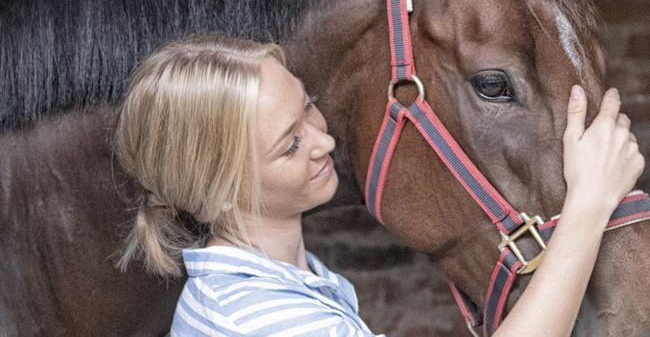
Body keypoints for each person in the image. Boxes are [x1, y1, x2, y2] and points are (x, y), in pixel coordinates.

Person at [112, 34, 645, 337]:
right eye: (289, 145)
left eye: (308, 108)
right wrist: (589, 205)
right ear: (220, 189)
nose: (322, 141)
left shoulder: (277, 281)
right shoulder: (262, 321)